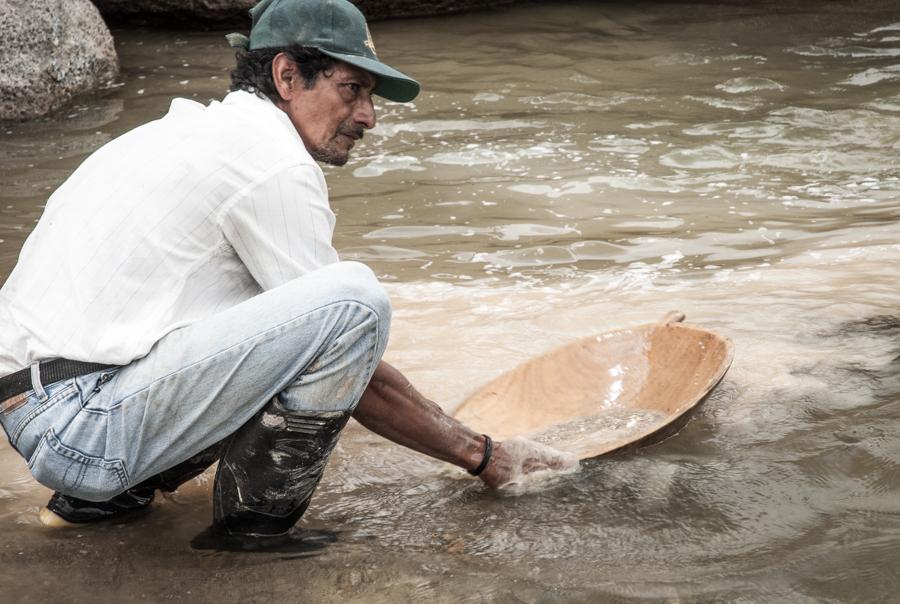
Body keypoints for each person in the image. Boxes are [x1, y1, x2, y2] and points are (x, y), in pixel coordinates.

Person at [0, 0, 574, 550]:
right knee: (354, 302)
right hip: (81, 424)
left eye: (370, 97)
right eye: (352, 89)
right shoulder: (270, 161)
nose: (369, 116)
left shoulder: (180, 133)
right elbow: (349, 345)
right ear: (287, 76)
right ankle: (251, 533)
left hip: (39, 408)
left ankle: (101, 505)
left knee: (273, 317)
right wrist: (483, 455)